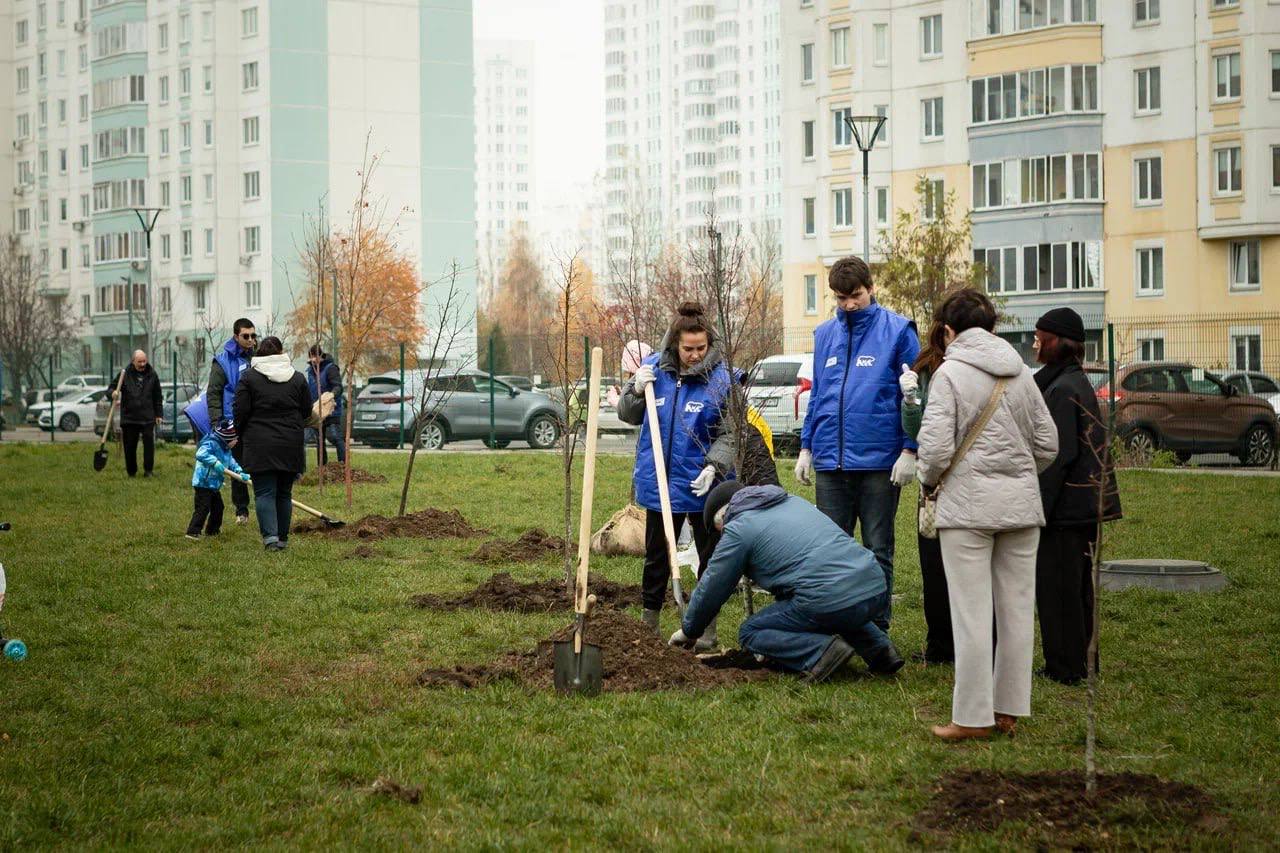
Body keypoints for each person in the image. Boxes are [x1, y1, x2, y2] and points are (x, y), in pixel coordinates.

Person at [916, 289, 1058, 740]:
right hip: (1020, 508)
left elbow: (935, 451)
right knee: (1017, 611)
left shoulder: (949, 374)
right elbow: (1047, 445)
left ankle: (971, 717)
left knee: (972, 615)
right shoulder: (1023, 375)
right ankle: (1009, 711)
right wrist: (1016, 474)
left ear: (949, 330)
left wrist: (929, 480)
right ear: (992, 327)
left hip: (967, 511)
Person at [668, 482, 904, 682]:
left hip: (827, 597)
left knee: (752, 631)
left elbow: (712, 587)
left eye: (719, 530)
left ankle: (822, 653)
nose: (721, 536)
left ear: (722, 516)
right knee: (840, 600)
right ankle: (882, 652)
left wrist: (689, 631)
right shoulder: (791, 502)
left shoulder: (739, 528)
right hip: (873, 584)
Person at [795, 256, 920, 631]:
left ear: (871, 288)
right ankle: (837, 625)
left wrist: (909, 449)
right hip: (831, 463)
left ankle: (876, 628)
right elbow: (818, 396)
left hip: (880, 464)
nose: (849, 304)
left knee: (877, 548)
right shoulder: (825, 335)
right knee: (831, 550)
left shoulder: (898, 332)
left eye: (856, 296)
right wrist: (806, 447)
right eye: (840, 298)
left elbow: (914, 396)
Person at [616, 302, 734, 647]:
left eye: (701, 348)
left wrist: (715, 465)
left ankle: (706, 631)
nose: (695, 355)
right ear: (674, 344)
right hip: (660, 484)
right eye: (688, 349)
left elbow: (731, 432)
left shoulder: (721, 380)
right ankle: (648, 628)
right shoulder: (654, 370)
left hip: (702, 486)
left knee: (709, 559)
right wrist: (635, 390)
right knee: (656, 559)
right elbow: (628, 414)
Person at [1032, 308, 1122, 686]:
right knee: (1077, 588)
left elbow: (1059, 455)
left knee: (1060, 589)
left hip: (1068, 509)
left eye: (1040, 337)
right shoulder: (1070, 381)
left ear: (1057, 342)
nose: (1035, 343)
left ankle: (1066, 667)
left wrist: (1040, 508)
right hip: (1083, 504)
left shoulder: (1063, 388)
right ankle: (1081, 662)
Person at [898, 319, 954, 665]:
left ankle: (972, 645)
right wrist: (910, 402)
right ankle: (940, 644)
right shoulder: (928, 367)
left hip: (967, 480)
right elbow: (918, 430)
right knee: (932, 565)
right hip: (932, 483)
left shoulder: (975, 368)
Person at [233, 336, 312, 551]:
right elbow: (307, 411)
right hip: (290, 443)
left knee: (265, 492)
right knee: (284, 493)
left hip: (260, 444)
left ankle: (270, 539)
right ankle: (283, 539)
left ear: (259, 354)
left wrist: (239, 434)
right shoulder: (297, 378)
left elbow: (239, 411)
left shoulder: (248, 378)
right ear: (281, 353)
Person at [208, 319, 258, 524]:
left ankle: (264, 504)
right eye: (246, 336)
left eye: (253, 336)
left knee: (257, 464)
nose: (250, 340)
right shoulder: (222, 362)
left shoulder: (259, 358)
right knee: (237, 467)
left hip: (257, 421)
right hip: (232, 422)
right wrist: (217, 422)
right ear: (236, 336)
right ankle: (242, 510)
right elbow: (214, 393)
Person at [187, 422, 249, 541]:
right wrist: (214, 462)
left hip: (214, 485)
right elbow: (200, 453)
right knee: (203, 508)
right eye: (235, 439)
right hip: (203, 483)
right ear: (227, 438)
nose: (236, 441)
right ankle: (193, 532)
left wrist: (240, 472)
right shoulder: (211, 443)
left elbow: (231, 462)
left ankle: (212, 531)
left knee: (218, 507)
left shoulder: (226, 450)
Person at [113, 350, 163, 478]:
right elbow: (111, 389)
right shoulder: (124, 374)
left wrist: (159, 414)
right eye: (139, 362)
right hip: (129, 418)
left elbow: (157, 396)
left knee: (149, 446)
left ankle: (148, 471)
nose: (142, 364)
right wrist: (113, 393)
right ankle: (131, 472)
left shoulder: (152, 374)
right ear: (133, 361)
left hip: (147, 417)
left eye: (144, 361)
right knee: (129, 447)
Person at [304, 345, 345, 465]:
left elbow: (338, 386)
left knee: (336, 437)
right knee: (319, 441)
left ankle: (343, 464)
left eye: (315, 356)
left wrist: (331, 395)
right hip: (317, 411)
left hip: (332, 410)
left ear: (321, 356)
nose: (313, 360)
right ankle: (322, 467)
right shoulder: (311, 371)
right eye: (311, 357)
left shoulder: (331, 368)